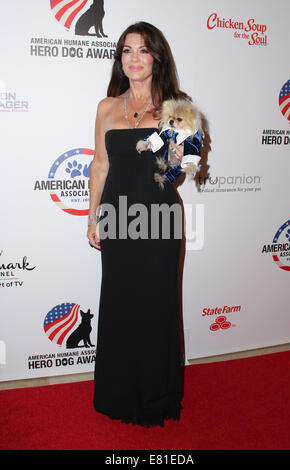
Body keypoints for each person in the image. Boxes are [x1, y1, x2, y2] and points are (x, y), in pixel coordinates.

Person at [87, 21, 201, 427]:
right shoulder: (106, 107)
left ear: (157, 57)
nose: (134, 59)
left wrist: (180, 144)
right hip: (116, 219)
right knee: (118, 304)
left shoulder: (176, 107)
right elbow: (100, 165)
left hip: (158, 220)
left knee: (156, 306)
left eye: (143, 50)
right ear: (120, 59)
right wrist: (91, 216)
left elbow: (178, 173)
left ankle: (156, 394)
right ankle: (118, 393)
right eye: (127, 51)